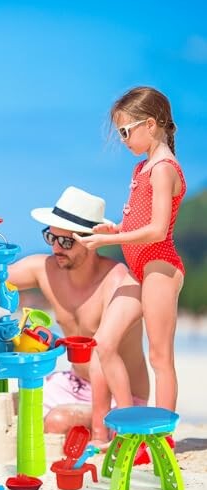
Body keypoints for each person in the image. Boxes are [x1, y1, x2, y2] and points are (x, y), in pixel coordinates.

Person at [0, 187, 149, 446]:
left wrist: (110, 433)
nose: (57, 248)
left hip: (120, 396)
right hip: (71, 384)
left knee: (57, 422)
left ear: (91, 241)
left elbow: (104, 355)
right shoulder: (44, 269)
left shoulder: (118, 281)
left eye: (66, 242)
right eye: (51, 238)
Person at [74, 86, 185, 415]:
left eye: (125, 131)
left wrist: (110, 241)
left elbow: (158, 231)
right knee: (105, 343)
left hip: (160, 268)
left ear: (150, 125)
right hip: (140, 269)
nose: (123, 140)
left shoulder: (164, 168)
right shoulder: (142, 168)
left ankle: (162, 435)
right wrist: (116, 229)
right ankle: (128, 421)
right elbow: (141, 222)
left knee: (160, 356)